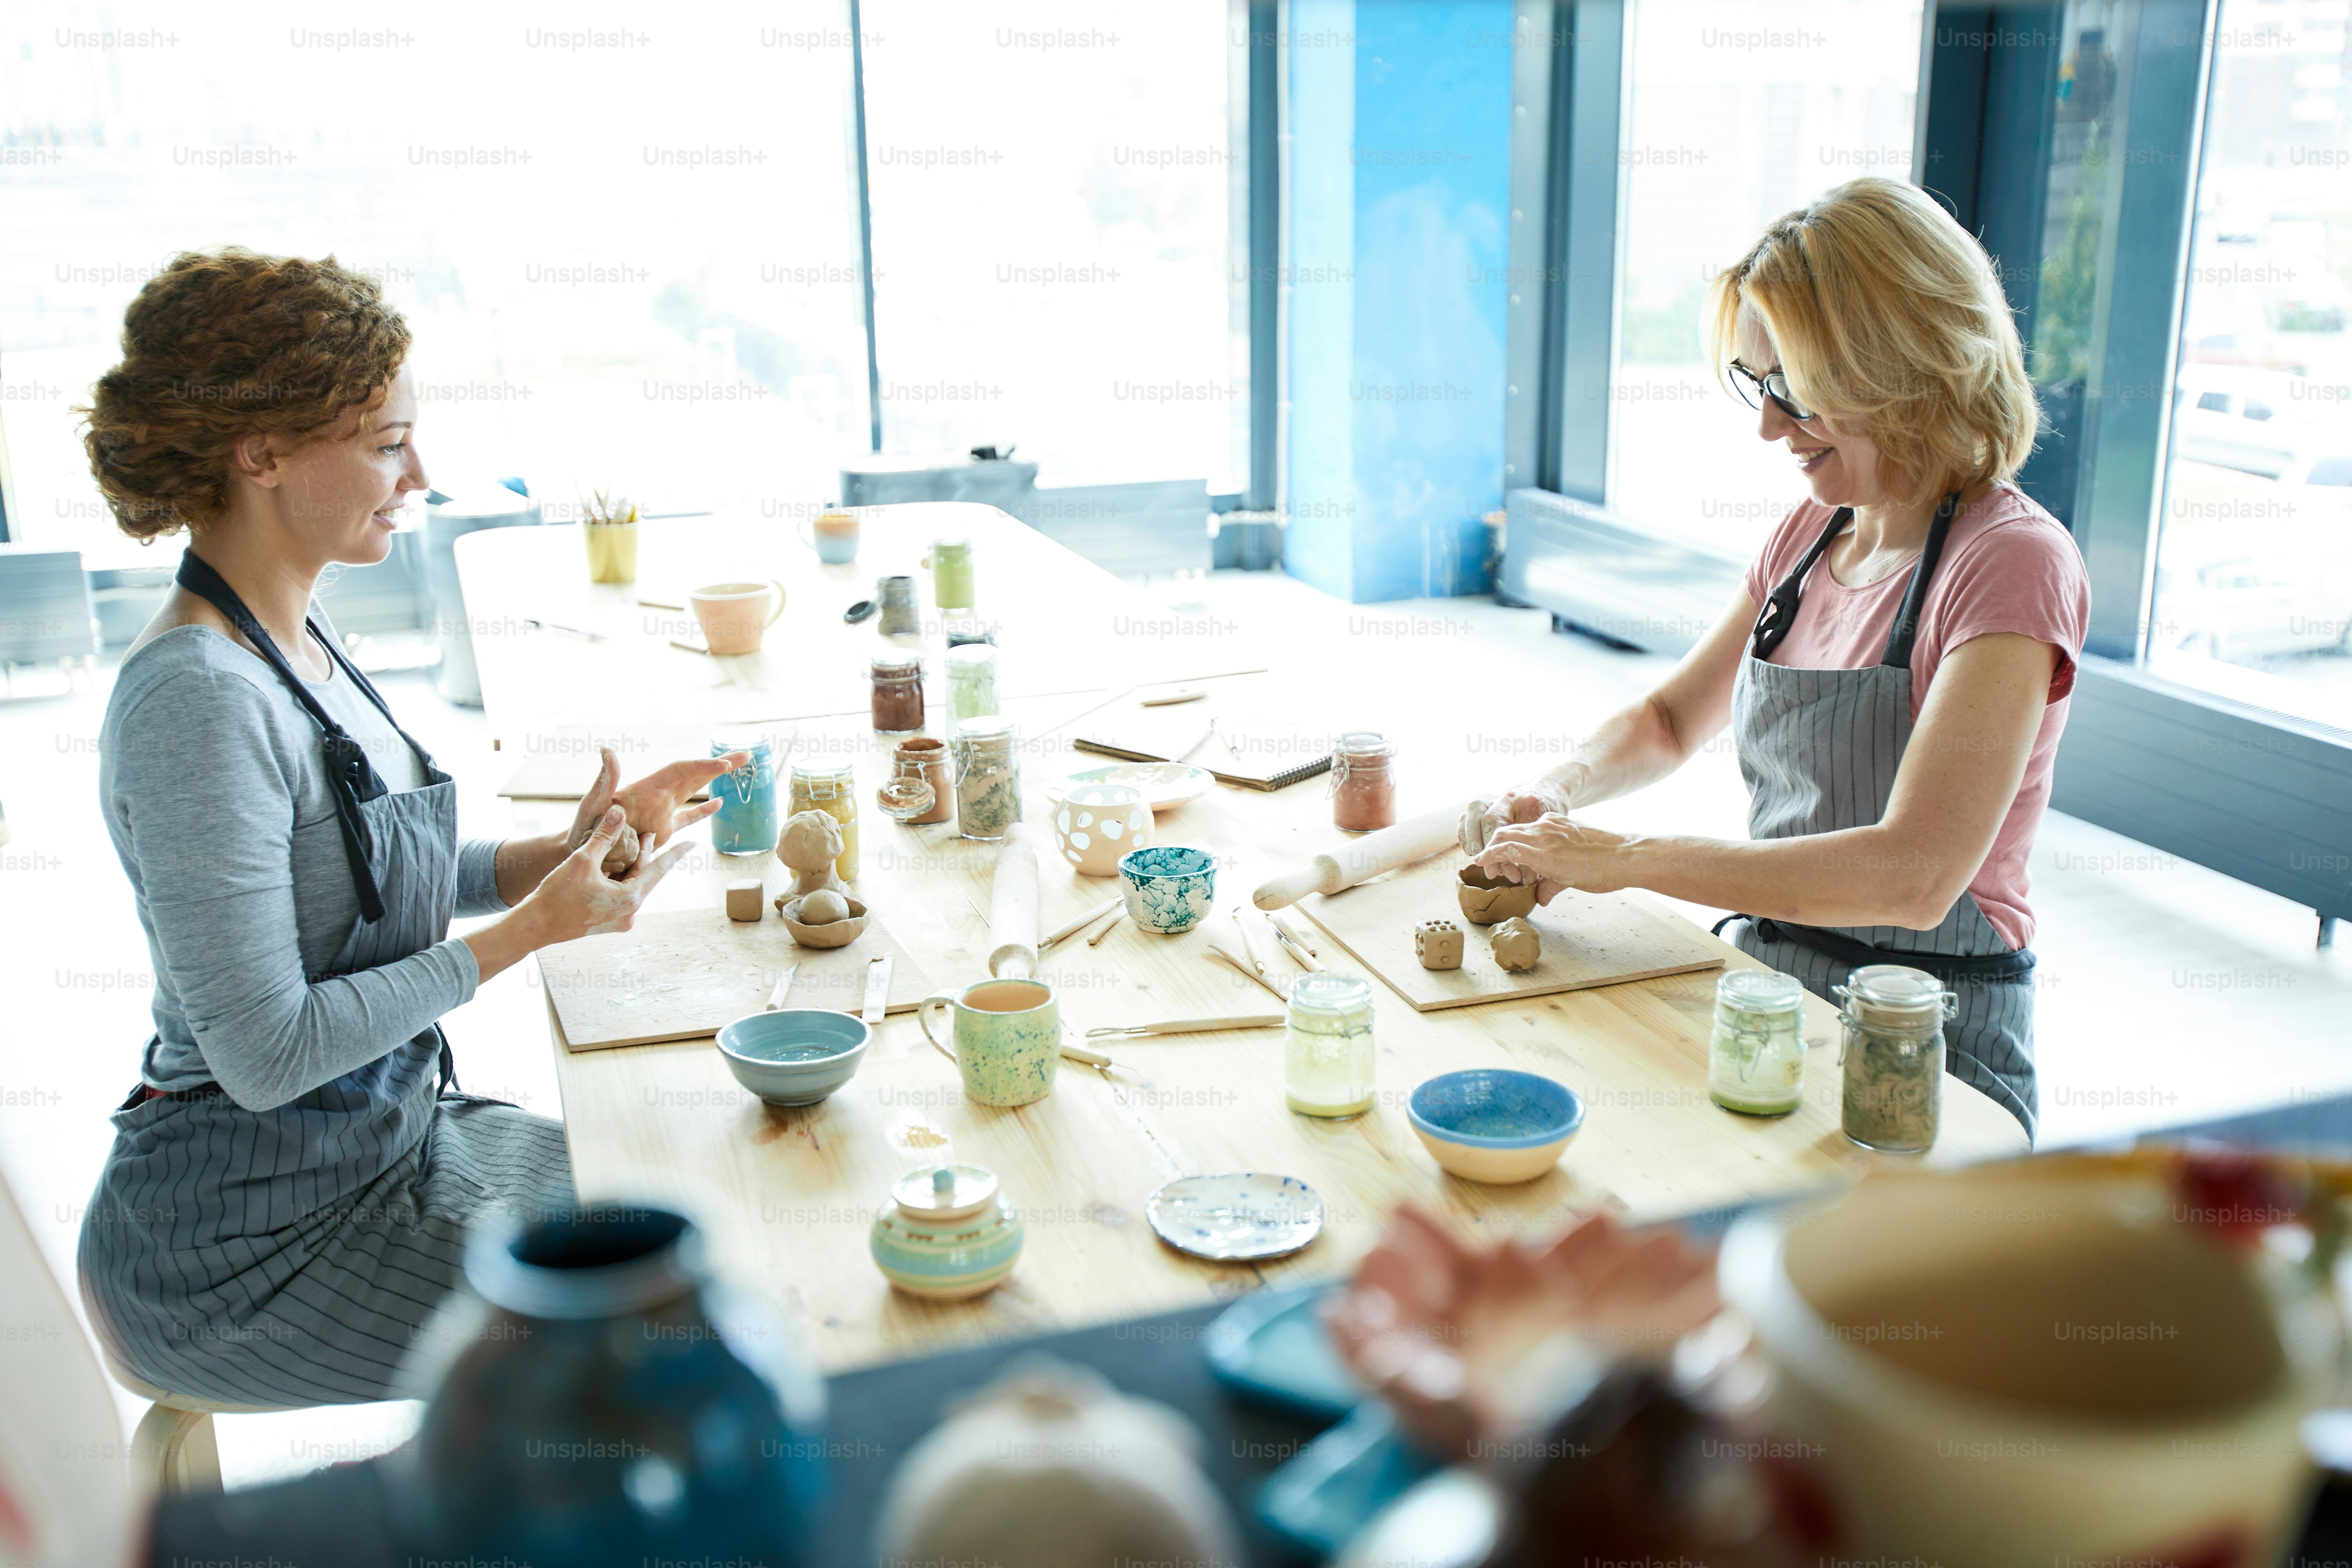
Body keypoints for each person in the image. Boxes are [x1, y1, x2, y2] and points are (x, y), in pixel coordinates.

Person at [74, 247, 743, 1404]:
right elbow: (267, 1050)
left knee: (719, 1206)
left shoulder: (296, 637)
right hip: (245, 1251)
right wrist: (530, 931)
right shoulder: (194, 701)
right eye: (387, 443)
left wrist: (562, 856)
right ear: (262, 452)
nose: (421, 470)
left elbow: (365, 884)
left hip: (386, 1146)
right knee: (677, 1320)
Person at [1466, 177, 2089, 1138]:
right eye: (1759, 386)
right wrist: (1555, 797)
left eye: (1793, 392)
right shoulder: (1813, 530)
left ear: (1900, 366)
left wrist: (1618, 860)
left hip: (1928, 1040)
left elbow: (1915, 875)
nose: (1767, 427)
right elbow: (1670, 720)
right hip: (1769, 993)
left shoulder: (2010, 564)